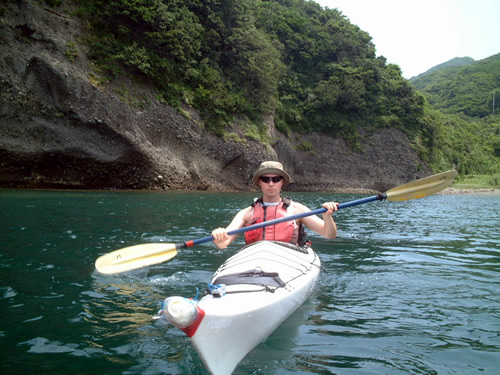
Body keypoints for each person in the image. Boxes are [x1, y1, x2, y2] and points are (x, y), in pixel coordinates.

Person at [211, 161, 339, 249]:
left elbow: (329, 234)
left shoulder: (297, 210)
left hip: (288, 259)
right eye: (266, 179)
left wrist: (327, 217)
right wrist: (219, 235)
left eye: (276, 179)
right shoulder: (246, 214)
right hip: (256, 260)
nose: (271, 183)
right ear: (259, 182)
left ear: (282, 182)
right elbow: (224, 243)